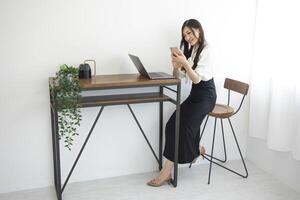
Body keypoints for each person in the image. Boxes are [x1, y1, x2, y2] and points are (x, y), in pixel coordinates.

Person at [147, 19, 217, 187]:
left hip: (206, 95)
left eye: (189, 33)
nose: (187, 37)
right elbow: (180, 78)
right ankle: (197, 150)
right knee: (172, 125)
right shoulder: (191, 51)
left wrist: (185, 63)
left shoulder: (206, 49)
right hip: (195, 95)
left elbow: (197, 79)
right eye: (184, 34)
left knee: (182, 128)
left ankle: (166, 173)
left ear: (198, 30)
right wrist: (177, 66)